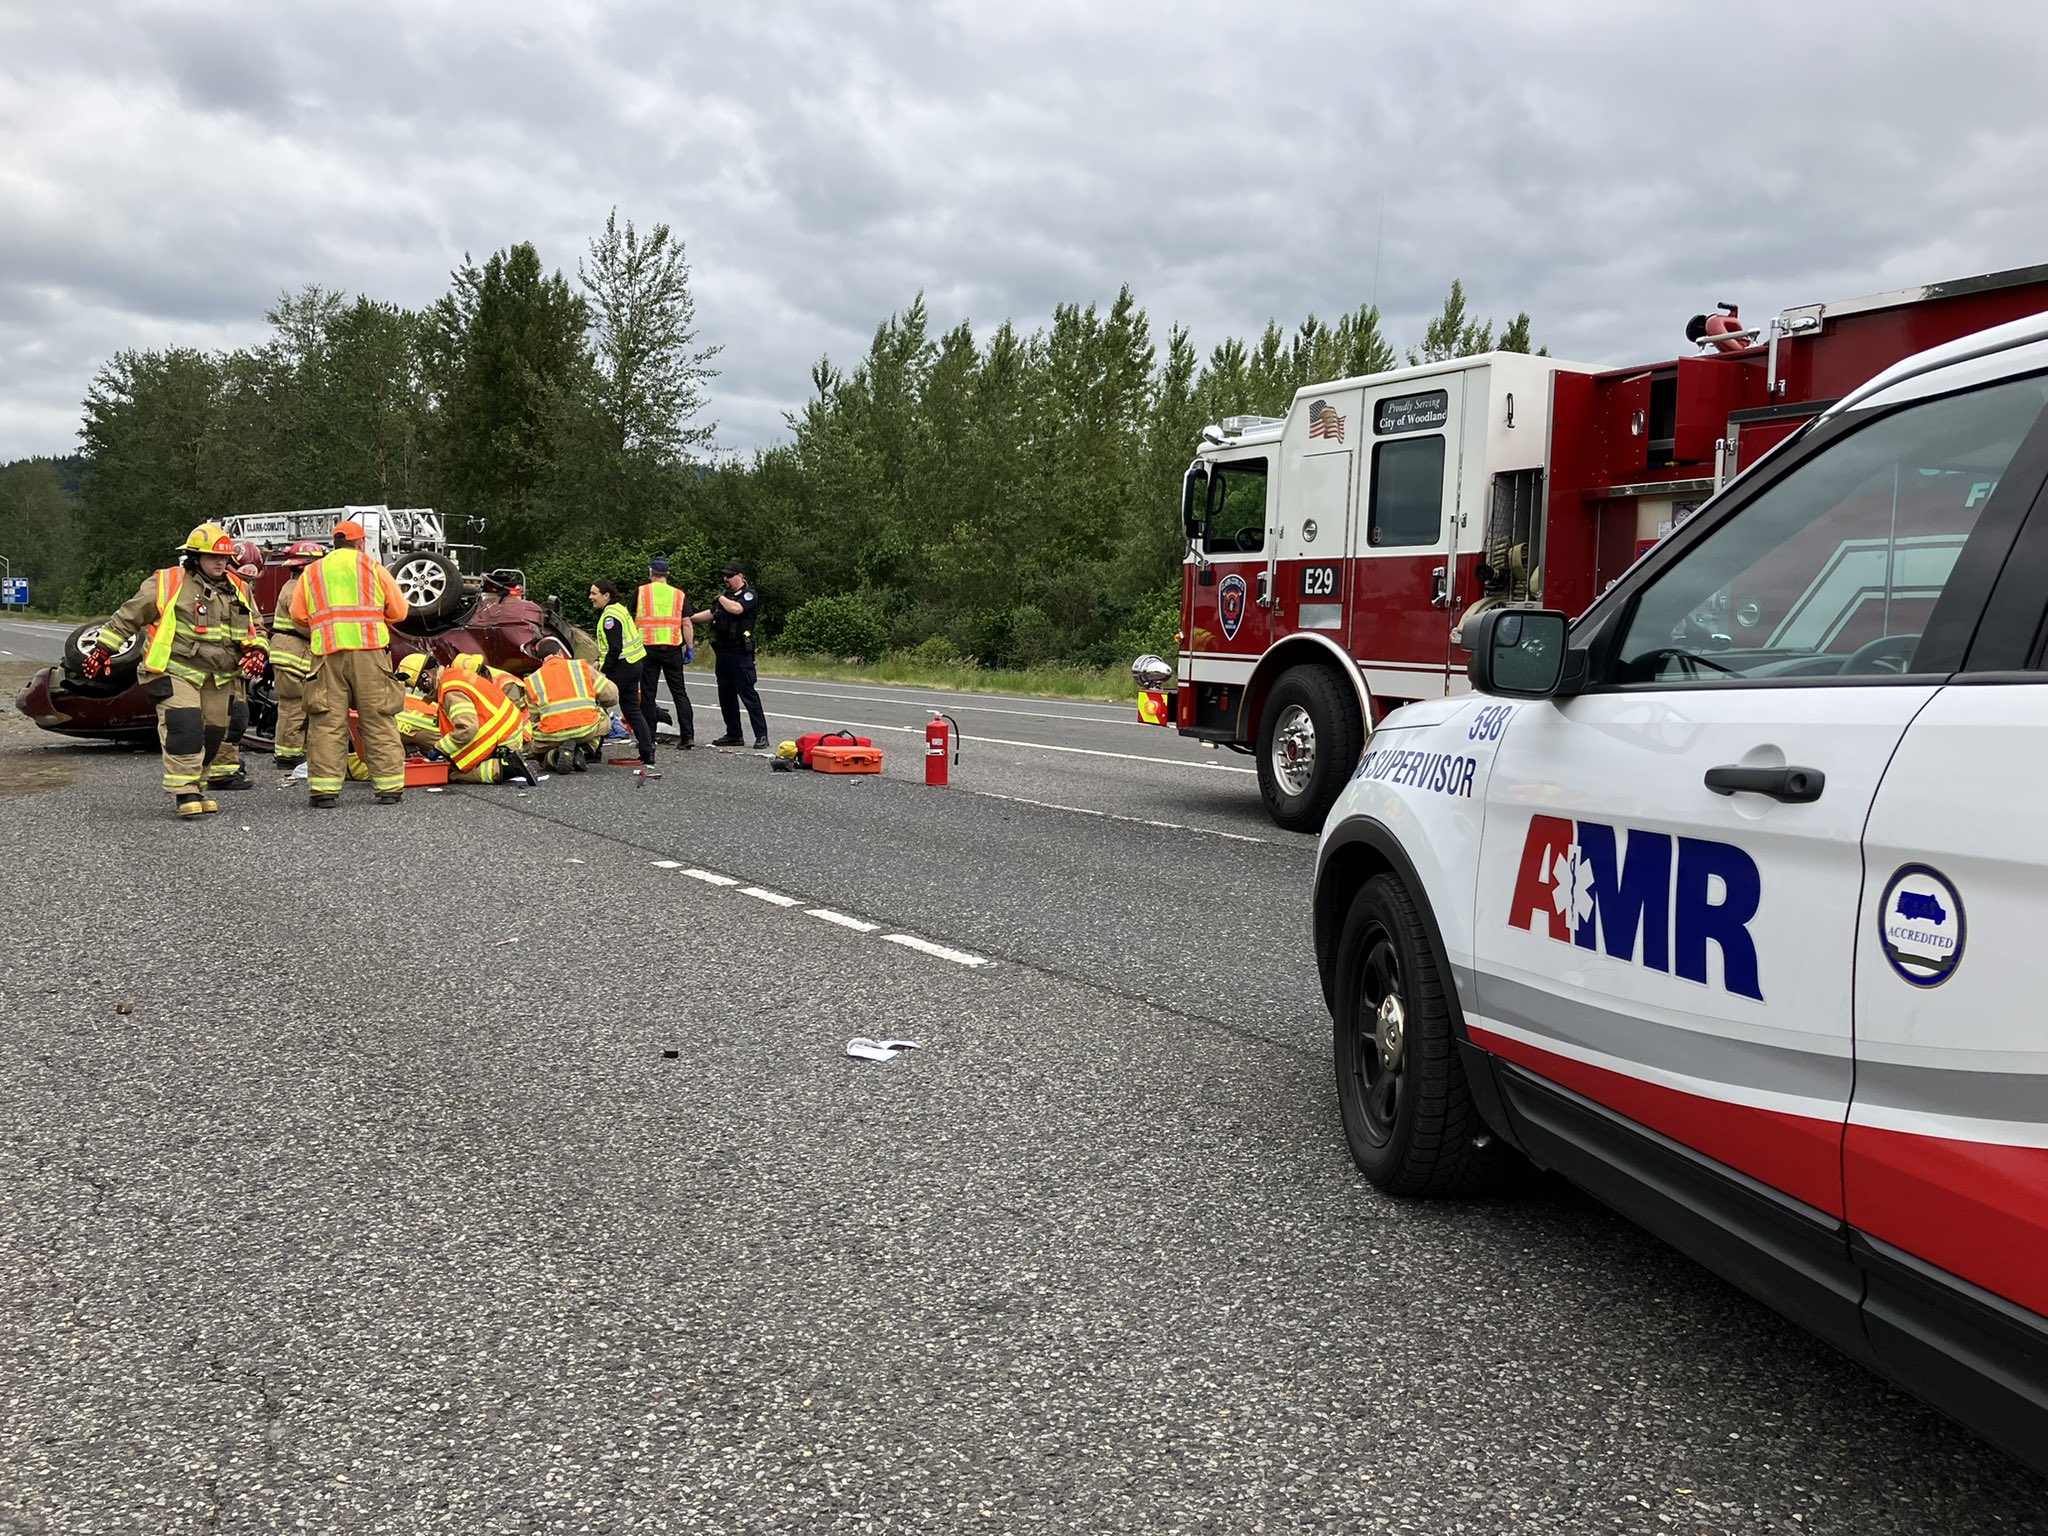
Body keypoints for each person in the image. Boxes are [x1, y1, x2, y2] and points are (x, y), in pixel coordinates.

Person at [85, 522, 268, 819]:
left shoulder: (239, 588)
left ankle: (197, 784)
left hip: (218, 677)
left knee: (214, 733)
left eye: (224, 558)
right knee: (185, 725)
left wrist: (258, 649)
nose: (220, 563)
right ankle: (185, 791)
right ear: (195, 557)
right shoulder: (167, 582)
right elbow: (128, 617)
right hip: (175, 669)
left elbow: (256, 628)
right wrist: (103, 649)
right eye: (213, 557)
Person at [291, 518, 409, 808]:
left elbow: (298, 615)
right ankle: (389, 788)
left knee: (326, 722)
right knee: (379, 719)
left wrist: (325, 627)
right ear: (360, 543)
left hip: (327, 656)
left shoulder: (312, 572)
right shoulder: (372, 568)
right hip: (369, 654)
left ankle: (324, 791)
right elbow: (400, 611)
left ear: (334, 543)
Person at [690, 561, 768, 749]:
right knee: (726, 695)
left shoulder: (748, 595)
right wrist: (687, 618)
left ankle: (761, 735)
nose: (726, 579)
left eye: (730, 576)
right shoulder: (726, 598)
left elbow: (736, 609)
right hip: (723, 651)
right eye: (724, 576)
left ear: (740, 576)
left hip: (740, 652)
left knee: (747, 693)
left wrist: (720, 598)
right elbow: (710, 614)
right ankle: (734, 734)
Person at [431, 653, 535, 785]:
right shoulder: (476, 682)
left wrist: (442, 748)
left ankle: (506, 768)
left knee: (456, 774)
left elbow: (471, 726)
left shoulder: (506, 683)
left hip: (520, 733)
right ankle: (505, 763)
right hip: (500, 729)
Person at [267, 540, 325, 771]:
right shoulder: (298, 589)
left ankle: (290, 750)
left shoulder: (293, 586)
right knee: (294, 705)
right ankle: (288, 754)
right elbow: (304, 624)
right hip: (293, 653)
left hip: (291, 652)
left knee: (293, 705)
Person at [524, 639, 620, 773]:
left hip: (551, 735)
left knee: (540, 755)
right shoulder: (581, 667)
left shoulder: (532, 680)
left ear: (541, 659)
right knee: (604, 718)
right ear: (560, 652)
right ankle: (584, 751)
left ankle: (555, 756)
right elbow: (612, 695)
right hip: (585, 729)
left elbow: (535, 718)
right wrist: (599, 704)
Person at [590, 577, 656, 764]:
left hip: (621, 667)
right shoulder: (619, 609)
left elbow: (615, 648)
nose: (591, 597)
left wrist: (603, 672)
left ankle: (594, 752)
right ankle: (647, 751)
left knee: (597, 707)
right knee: (632, 709)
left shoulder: (609, 617)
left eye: (594, 593)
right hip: (634, 664)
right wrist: (598, 660)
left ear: (606, 595)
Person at [635, 557, 695, 749]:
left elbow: (628, 620)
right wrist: (690, 647)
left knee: (648, 694)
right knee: (679, 692)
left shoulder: (641, 592)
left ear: (650, 572)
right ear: (667, 574)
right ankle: (688, 737)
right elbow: (686, 623)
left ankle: (648, 738)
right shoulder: (678, 594)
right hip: (672, 648)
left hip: (647, 648)